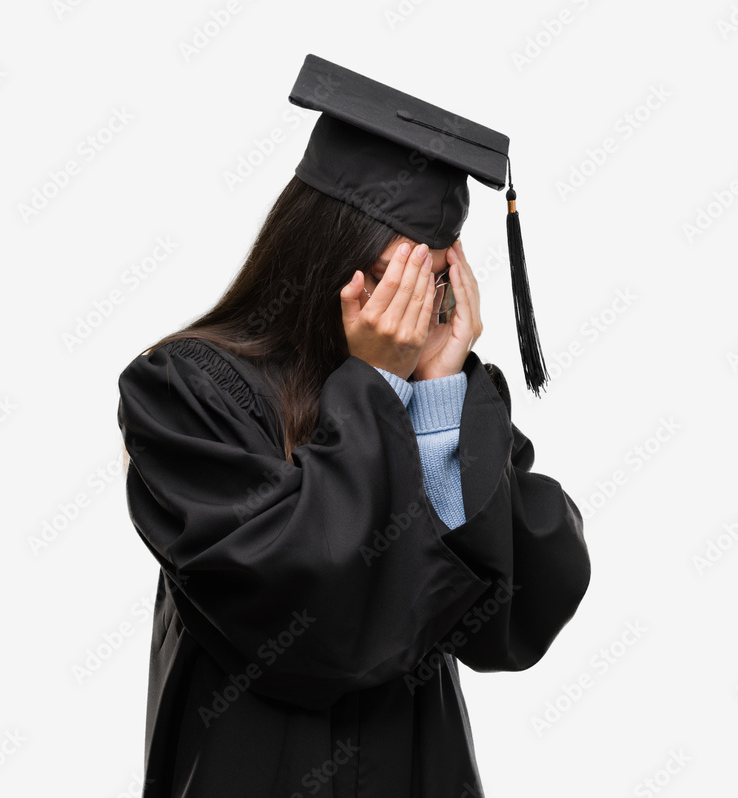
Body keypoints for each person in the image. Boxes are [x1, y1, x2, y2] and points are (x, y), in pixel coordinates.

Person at [117, 54, 590, 798]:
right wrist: (371, 384)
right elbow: (300, 612)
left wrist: (436, 397)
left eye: (433, 281)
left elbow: (516, 615)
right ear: (330, 261)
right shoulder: (183, 389)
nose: (416, 307)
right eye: (399, 280)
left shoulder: (446, 391)